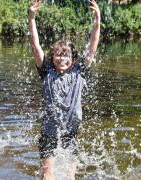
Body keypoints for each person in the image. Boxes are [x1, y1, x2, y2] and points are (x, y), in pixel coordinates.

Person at [29, 0, 100, 179]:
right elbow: (36, 46)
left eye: (66, 55)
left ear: (72, 58)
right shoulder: (46, 71)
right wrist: (31, 18)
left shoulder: (79, 71)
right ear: (52, 57)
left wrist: (97, 21)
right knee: (47, 178)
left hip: (71, 132)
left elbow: (92, 48)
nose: (62, 58)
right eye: (58, 55)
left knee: (70, 178)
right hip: (48, 132)